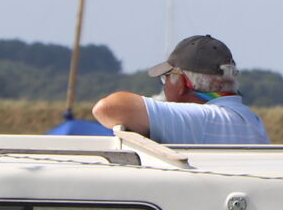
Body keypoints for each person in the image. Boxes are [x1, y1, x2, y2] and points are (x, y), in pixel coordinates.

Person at [93, 34, 269, 144]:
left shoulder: (202, 120)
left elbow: (107, 108)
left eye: (166, 78)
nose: (164, 85)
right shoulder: (252, 120)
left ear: (182, 83)